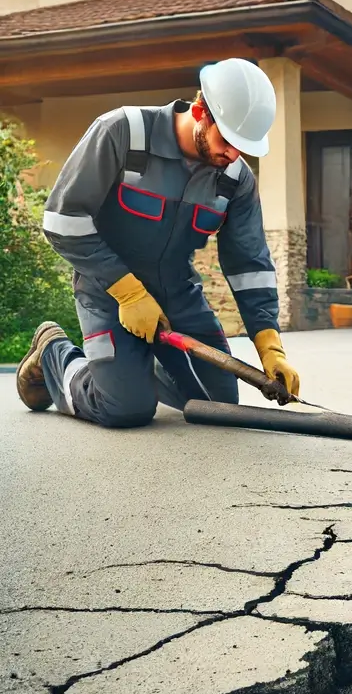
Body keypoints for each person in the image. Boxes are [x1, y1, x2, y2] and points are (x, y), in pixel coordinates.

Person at [16, 57, 300, 427]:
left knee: (218, 403)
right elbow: (62, 220)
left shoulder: (234, 178)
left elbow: (250, 264)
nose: (233, 154)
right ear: (200, 112)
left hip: (176, 293)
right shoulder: (122, 133)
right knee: (125, 409)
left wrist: (269, 343)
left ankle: (130, 365)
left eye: (243, 147)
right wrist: (128, 293)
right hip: (108, 291)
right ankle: (55, 355)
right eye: (227, 140)